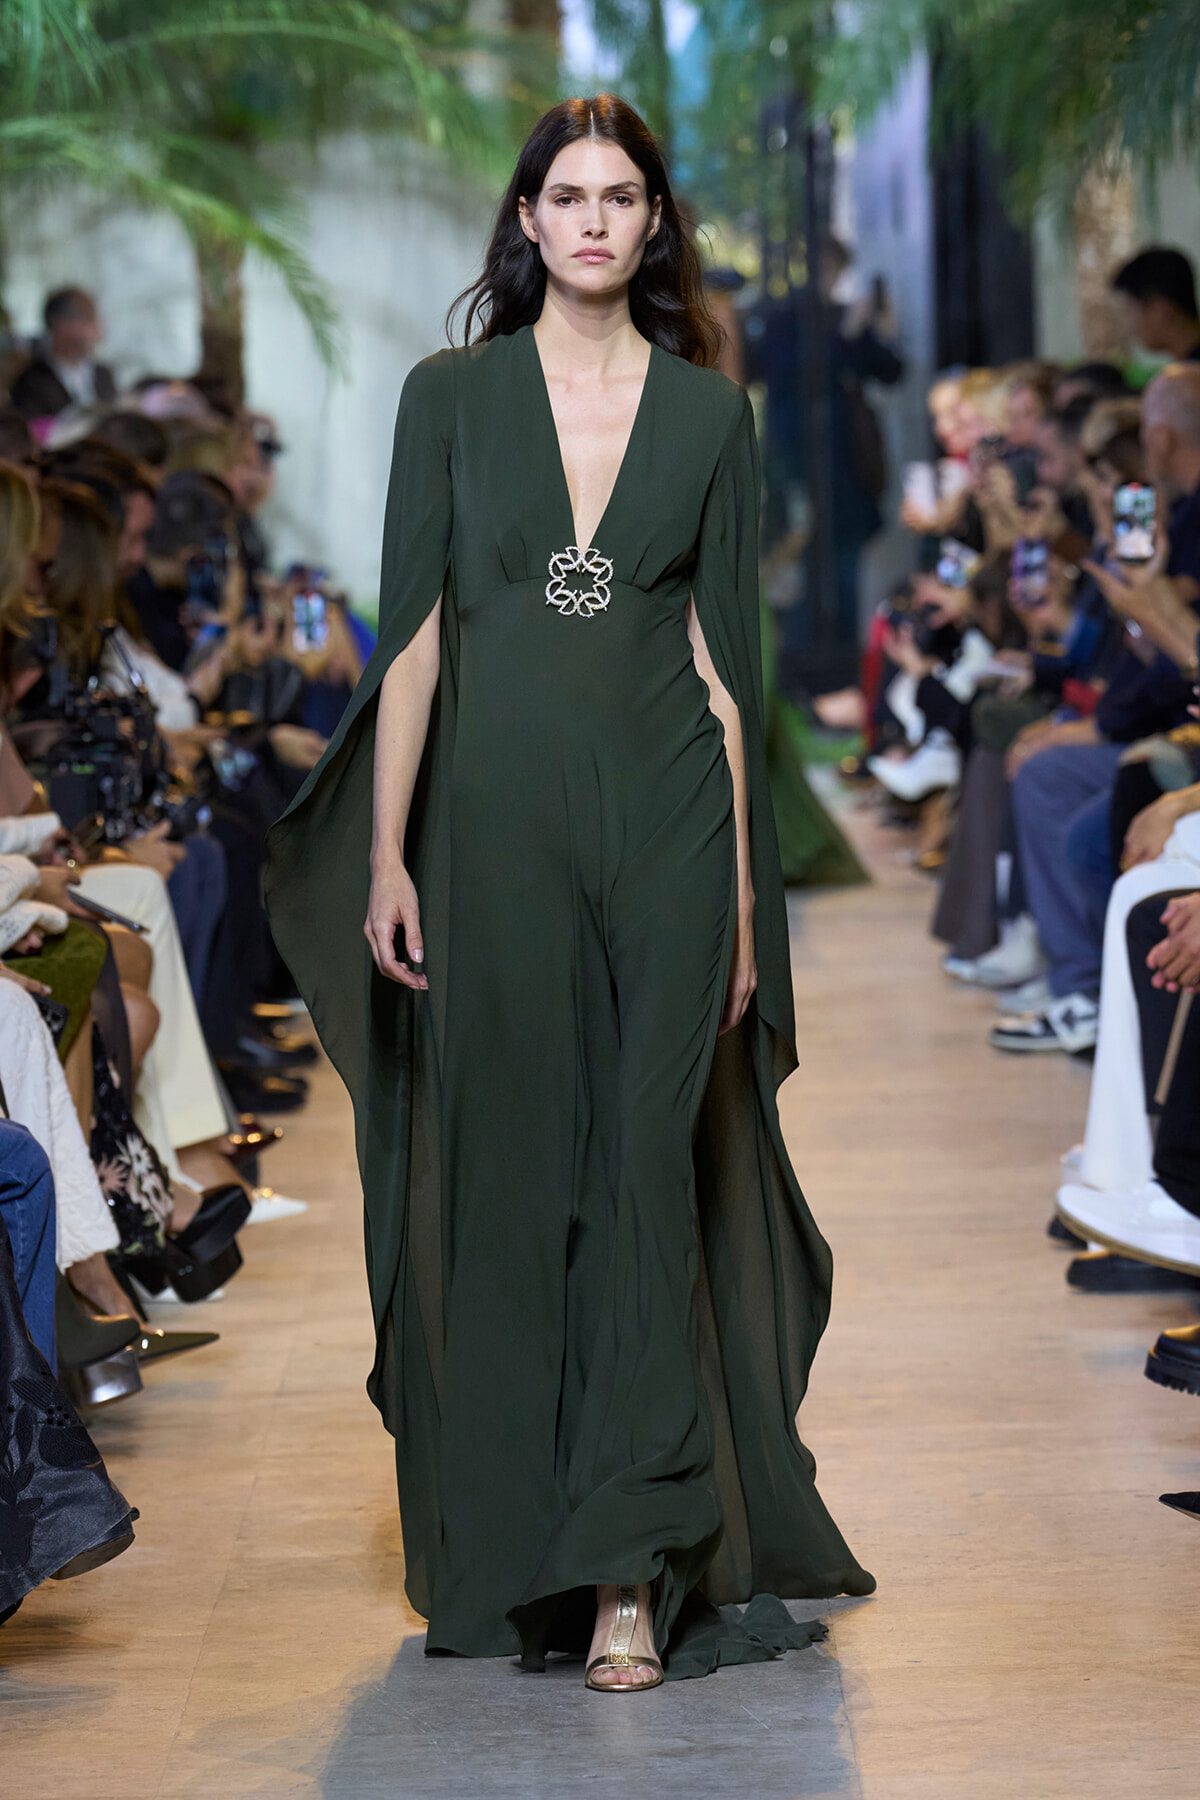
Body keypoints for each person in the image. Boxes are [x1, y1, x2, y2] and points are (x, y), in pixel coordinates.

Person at [266, 93, 873, 1692]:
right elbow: (414, 640)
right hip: (492, 839)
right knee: (527, 1175)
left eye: (622, 197)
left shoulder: (710, 416)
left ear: (653, 225)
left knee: (648, 1175)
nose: (595, 221)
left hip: (669, 828)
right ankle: (525, 1537)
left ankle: (627, 1575)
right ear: (528, 221)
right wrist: (387, 852)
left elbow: (726, 679)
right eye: (569, 196)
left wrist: (740, 905)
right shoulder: (450, 399)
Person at [9, 288, 117, 421]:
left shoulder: (103, 374)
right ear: (60, 325)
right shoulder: (33, 382)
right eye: (87, 318)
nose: (96, 328)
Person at [1111, 247, 1200, 363]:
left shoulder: (1189, 371)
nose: (1129, 326)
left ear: (1161, 310)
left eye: (1128, 310)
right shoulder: (1186, 366)